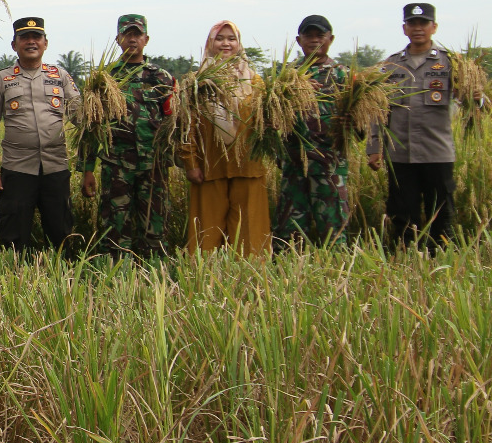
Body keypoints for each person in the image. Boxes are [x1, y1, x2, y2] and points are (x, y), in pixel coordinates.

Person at [367, 3, 468, 249]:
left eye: (423, 24)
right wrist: (373, 147)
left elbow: (473, 103)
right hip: (400, 155)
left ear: (434, 27)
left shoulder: (451, 64)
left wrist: (475, 95)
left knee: (441, 214)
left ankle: (440, 261)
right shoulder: (389, 66)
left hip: (437, 153)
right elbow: (377, 110)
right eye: (412, 23)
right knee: (402, 213)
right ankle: (404, 260)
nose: (418, 28)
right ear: (404, 28)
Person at [0, 18, 82, 255]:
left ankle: (65, 277)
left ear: (46, 43)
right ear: (14, 45)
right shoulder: (2, 79)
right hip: (17, 169)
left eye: (37, 37)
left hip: (55, 166)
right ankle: (14, 279)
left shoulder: (60, 76)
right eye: (24, 37)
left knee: (61, 230)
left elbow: (81, 117)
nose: (31, 42)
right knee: (13, 234)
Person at [77, 14, 177, 259]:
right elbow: (91, 127)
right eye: (127, 34)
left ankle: (155, 277)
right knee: (115, 227)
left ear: (146, 39)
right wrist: (87, 169)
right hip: (117, 164)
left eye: (137, 34)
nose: (132, 39)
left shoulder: (161, 78)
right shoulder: (104, 78)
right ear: (118, 39)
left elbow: (173, 122)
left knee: (154, 228)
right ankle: (114, 278)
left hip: (153, 164)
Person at [179, 21, 271, 256]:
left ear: (239, 44)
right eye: (220, 38)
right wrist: (190, 163)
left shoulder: (255, 81)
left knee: (250, 232)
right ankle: (202, 278)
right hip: (210, 167)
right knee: (207, 236)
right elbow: (186, 126)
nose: (226, 43)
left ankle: (251, 277)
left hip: (248, 166)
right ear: (211, 43)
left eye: (231, 38)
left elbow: (266, 122)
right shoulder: (198, 82)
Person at [273, 15, 352, 248]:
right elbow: (271, 118)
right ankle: (288, 276)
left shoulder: (342, 76)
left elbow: (358, 124)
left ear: (331, 39)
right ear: (299, 40)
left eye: (321, 35)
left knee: (334, 228)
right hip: (294, 163)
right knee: (289, 228)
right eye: (309, 36)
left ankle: (338, 273)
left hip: (329, 165)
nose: (315, 40)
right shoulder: (286, 77)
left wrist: (351, 124)